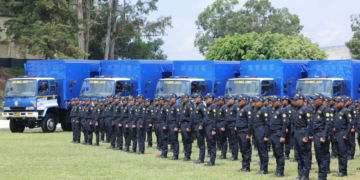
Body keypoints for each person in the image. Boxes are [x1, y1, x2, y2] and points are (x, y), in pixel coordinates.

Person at [311, 94, 332, 180]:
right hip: (316, 134)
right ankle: (321, 175)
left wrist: (324, 135)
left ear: (320, 100)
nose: (313, 101)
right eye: (313, 99)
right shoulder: (315, 109)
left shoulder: (325, 109)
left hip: (321, 134)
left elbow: (328, 123)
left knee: (323, 155)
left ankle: (323, 177)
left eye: (315, 99)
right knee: (318, 155)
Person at [291, 94, 312, 180]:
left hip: (303, 132)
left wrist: (306, 136)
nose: (294, 101)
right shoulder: (296, 109)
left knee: (304, 155)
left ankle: (306, 175)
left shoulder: (305, 109)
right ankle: (300, 174)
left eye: (296, 100)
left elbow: (309, 124)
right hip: (296, 132)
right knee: (298, 154)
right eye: (294, 100)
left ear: (301, 100)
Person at [332, 97, 352, 177]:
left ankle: (343, 171)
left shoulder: (346, 111)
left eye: (338, 102)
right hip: (337, 134)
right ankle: (340, 170)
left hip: (343, 133)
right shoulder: (337, 111)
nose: (336, 103)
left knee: (343, 153)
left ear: (342, 103)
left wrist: (346, 134)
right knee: (339, 153)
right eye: (335, 102)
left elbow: (350, 123)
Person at [268, 95, 287, 177]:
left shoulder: (282, 110)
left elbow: (284, 124)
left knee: (279, 153)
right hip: (273, 134)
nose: (271, 103)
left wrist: (282, 136)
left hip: (278, 134)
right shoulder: (273, 110)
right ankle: (277, 171)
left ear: (279, 101)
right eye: (271, 101)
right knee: (275, 153)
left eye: (273, 101)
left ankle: (280, 172)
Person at [252, 95, 269, 175]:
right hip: (257, 131)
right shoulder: (257, 109)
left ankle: (264, 169)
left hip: (262, 131)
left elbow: (267, 124)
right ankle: (261, 168)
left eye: (256, 101)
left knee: (263, 151)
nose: (254, 103)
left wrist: (266, 135)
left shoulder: (264, 110)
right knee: (259, 150)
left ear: (261, 102)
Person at [235, 95, 252, 172]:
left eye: (239, 100)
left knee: (245, 149)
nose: (238, 102)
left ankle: (246, 167)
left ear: (245, 101)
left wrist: (248, 133)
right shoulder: (241, 108)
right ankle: (244, 166)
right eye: (237, 100)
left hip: (244, 131)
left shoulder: (247, 109)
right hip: (240, 131)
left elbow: (250, 122)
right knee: (242, 149)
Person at [166, 93, 180, 160]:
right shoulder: (171, 106)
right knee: (172, 140)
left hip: (174, 124)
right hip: (170, 124)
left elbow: (178, 117)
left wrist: (176, 126)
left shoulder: (176, 106)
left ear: (174, 98)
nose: (169, 99)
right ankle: (174, 154)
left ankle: (176, 155)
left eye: (170, 98)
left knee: (175, 140)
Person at [193, 93, 206, 164]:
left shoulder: (201, 106)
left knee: (201, 143)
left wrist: (201, 125)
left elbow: (205, 116)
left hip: (199, 126)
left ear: (199, 98)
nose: (194, 99)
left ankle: (201, 159)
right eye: (194, 98)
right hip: (196, 126)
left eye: (196, 98)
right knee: (199, 143)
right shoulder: (197, 106)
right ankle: (200, 158)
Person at [179, 93, 193, 161]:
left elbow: (191, 117)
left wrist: (189, 127)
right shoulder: (183, 105)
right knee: (184, 140)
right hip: (182, 125)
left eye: (183, 98)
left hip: (187, 125)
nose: (182, 99)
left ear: (187, 98)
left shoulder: (189, 105)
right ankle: (185, 154)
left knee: (187, 140)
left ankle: (188, 156)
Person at [226, 95, 238, 161]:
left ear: (233, 100)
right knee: (231, 141)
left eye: (229, 99)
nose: (228, 100)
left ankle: (234, 156)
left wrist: (236, 125)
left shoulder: (235, 106)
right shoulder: (229, 107)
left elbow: (237, 117)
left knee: (234, 141)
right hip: (229, 125)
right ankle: (233, 154)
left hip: (233, 124)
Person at [282, 95, 293, 160]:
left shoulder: (288, 108)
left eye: (284, 100)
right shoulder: (284, 107)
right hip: (284, 126)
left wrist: (286, 127)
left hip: (287, 127)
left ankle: (286, 154)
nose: (282, 101)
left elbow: (288, 119)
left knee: (287, 141)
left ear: (287, 101)